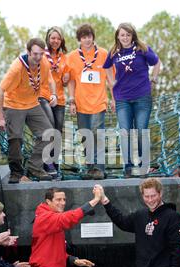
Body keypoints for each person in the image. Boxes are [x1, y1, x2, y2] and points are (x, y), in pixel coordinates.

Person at [95, 178, 180, 267]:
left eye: (153, 196)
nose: (150, 200)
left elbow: (178, 248)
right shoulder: (140, 215)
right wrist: (104, 200)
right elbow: (122, 222)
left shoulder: (172, 217)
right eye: (146, 196)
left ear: (160, 193)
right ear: (142, 195)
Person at [103, 23, 161, 177]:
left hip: (142, 97)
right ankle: (128, 167)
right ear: (118, 36)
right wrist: (111, 81)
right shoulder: (114, 51)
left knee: (141, 131)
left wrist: (154, 79)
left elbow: (156, 62)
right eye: (122, 35)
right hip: (122, 98)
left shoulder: (142, 48)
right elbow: (107, 67)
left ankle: (143, 166)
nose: (125, 38)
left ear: (132, 35)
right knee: (124, 132)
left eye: (128, 35)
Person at [0, 38, 57, 183]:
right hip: (13, 105)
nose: (38, 57)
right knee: (15, 139)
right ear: (28, 52)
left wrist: (53, 94)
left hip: (32, 104)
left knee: (49, 134)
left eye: (41, 54)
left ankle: (35, 167)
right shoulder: (17, 68)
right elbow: (0, 91)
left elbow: (50, 79)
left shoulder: (43, 62)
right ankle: (16, 173)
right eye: (35, 54)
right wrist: (0, 116)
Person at [28, 187, 99, 267]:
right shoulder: (45, 218)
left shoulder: (49, 218)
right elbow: (68, 218)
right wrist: (95, 200)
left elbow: (52, 251)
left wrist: (73, 260)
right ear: (48, 201)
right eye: (58, 200)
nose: (63, 203)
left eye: (64, 199)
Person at [68, 23, 110, 180]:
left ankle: (99, 168)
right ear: (79, 39)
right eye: (83, 37)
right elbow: (71, 80)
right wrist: (72, 100)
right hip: (81, 103)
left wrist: (113, 98)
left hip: (99, 102)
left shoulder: (104, 54)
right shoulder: (72, 57)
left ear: (93, 37)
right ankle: (90, 168)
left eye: (89, 37)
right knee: (86, 136)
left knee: (96, 133)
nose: (87, 40)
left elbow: (111, 78)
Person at [39, 26, 70, 178]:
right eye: (53, 38)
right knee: (48, 130)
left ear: (61, 40)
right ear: (48, 39)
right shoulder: (41, 55)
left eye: (58, 38)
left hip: (60, 99)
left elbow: (65, 80)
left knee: (57, 133)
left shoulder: (65, 58)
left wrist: (65, 79)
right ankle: (47, 164)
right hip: (43, 96)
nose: (55, 41)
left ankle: (54, 165)